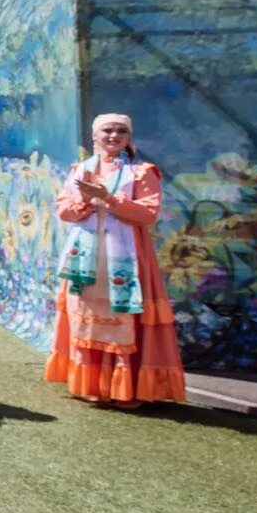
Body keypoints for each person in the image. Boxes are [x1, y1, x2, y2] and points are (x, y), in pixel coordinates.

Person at [45, 114, 187, 408]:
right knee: (85, 315)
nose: (114, 135)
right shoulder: (80, 170)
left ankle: (126, 388)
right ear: (94, 136)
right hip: (86, 258)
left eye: (121, 131)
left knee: (124, 317)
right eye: (107, 130)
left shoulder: (142, 172)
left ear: (129, 137)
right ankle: (92, 383)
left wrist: (109, 199)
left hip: (125, 258)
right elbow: (64, 211)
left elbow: (147, 214)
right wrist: (86, 201)